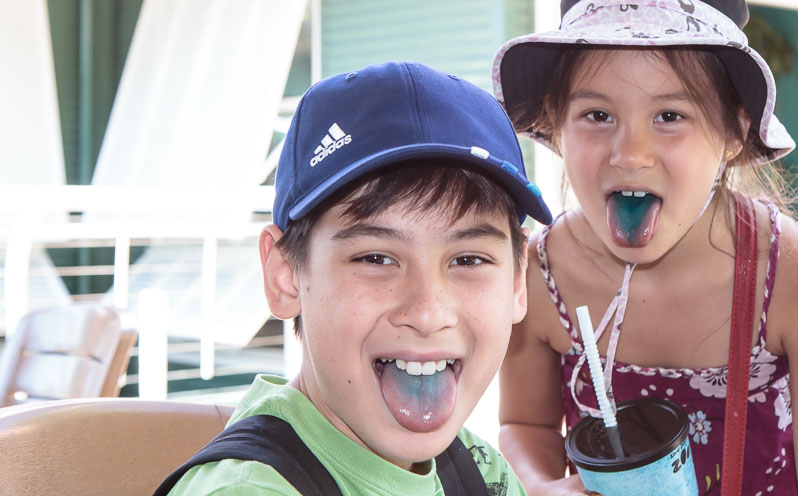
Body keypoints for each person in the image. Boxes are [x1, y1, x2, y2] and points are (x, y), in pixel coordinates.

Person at [491, 0, 798, 495]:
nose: (630, 153)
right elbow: (525, 425)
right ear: (555, 123)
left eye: (669, 115)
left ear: (733, 132)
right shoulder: (541, 272)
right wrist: (539, 485)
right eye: (597, 114)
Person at [156, 60, 553, 495]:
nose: (428, 313)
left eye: (468, 260)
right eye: (376, 258)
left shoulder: (481, 470)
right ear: (286, 275)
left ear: (518, 281)